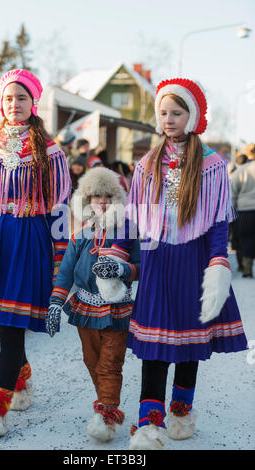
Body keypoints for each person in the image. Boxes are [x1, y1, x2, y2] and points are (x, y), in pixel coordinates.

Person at [92, 78, 248, 450]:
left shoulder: (212, 165)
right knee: (154, 346)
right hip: (157, 261)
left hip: (193, 262)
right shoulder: (147, 163)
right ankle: (149, 425)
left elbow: (217, 223)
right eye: (163, 112)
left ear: (191, 116)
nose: (168, 119)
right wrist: (115, 252)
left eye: (176, 113)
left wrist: (218, 264)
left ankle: (181, 410)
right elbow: (131, 216)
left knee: (188, 345)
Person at [0, 69, 71, 437]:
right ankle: (21, 380)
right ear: (0, 103)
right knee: (6, 326)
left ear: (33, 103)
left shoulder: (48, 151)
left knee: (12, 324)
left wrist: (61, 256)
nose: (14, 104)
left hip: (29, 240)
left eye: (21, 98)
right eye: (8, 98)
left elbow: (58, 207)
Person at [45, 167, 140, 442]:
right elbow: (65, 272)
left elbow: (141, 266)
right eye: (96, 196)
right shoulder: (79, 234)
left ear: (117, 199)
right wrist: (55, 304)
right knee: (92, 361)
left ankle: (107, 414)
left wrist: (122, 270)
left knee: (111, 364)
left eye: (108, 196)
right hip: (84, 308)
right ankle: (104, 404)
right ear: (86, 201)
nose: (102, 201)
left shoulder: (127, 232)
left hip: (115, 308)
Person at [230, 143, 255, 277]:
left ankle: (247, 269)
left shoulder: (241, 170)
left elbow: (233, 193)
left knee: (246, 239)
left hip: (245, 210)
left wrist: (233, 210)